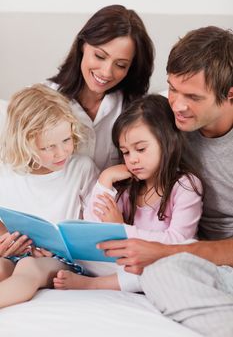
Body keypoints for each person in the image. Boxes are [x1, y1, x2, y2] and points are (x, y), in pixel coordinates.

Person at [97, 26, 233, 337]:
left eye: (193, 97)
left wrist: (164, 252)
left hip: (207, 257)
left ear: (229, 93)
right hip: (194, 262)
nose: (177, 105)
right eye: (173, 88)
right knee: (159, 276)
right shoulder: (164, 119)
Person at [53, 94, 203, 292]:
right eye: (126, 152)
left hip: (161, 261)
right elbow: (93, 228)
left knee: (172, 266)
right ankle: (108, 279)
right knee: (82, 256)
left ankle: (93, 284)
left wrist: (121, 229)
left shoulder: (185, 185)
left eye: (140, 149)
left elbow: (179, 241)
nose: (132, 159)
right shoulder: (128, 186)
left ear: (168, 142)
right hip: (125, 263)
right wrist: (105, 179)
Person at [0, 84, 98, 308]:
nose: (61, 152)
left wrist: (56, 250)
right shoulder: (6, 172)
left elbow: (92, 228)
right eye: (48, 147)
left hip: (59, 260)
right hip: (15, 254)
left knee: (29, 269)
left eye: (66, 140)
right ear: (24, 144)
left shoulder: (81, 169)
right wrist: (6, 244)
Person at [46, 4, 154, 172]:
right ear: (82, 45)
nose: (106, 72)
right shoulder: (44, 98)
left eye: (120, 65)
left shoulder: (136, 109)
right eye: (100, 56)